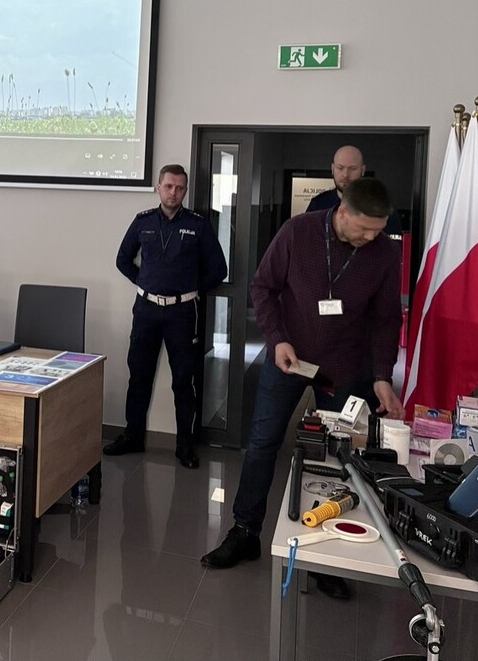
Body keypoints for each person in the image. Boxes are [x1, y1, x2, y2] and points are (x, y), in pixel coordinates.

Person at [201, 178, 404, 593]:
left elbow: (387, 319)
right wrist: (278, 339)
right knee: (262, 443)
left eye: (378, 230)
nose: (371, 238)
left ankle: (325, 552)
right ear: (343, 212)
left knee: (338, 457)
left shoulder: (384, 252)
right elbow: (263, 287)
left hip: (346, 367)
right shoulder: (298, 232)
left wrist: (383, 375)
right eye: (365, 228)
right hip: (290, 360)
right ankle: (244, 531)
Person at [106, 163, 228, 469]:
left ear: (185, 191)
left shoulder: (198, 225)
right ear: (158, 187)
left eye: (179, 188)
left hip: (182, 313)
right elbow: (122, 259)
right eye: (168, 186)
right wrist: (144, 282)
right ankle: (133, 436)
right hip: (146, 310)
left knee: (183, 381)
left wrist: (192, 289)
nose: (173, 192)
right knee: (139, 377)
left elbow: (219, 269)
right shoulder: (143, 221)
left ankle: (184, 446)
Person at [305, 145, 403, 236]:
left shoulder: (381, 205)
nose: (345, 175)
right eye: (340, 168)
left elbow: (393, 245)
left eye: (352, 168)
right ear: (332, 169)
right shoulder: (318, 204)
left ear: (362, 170)